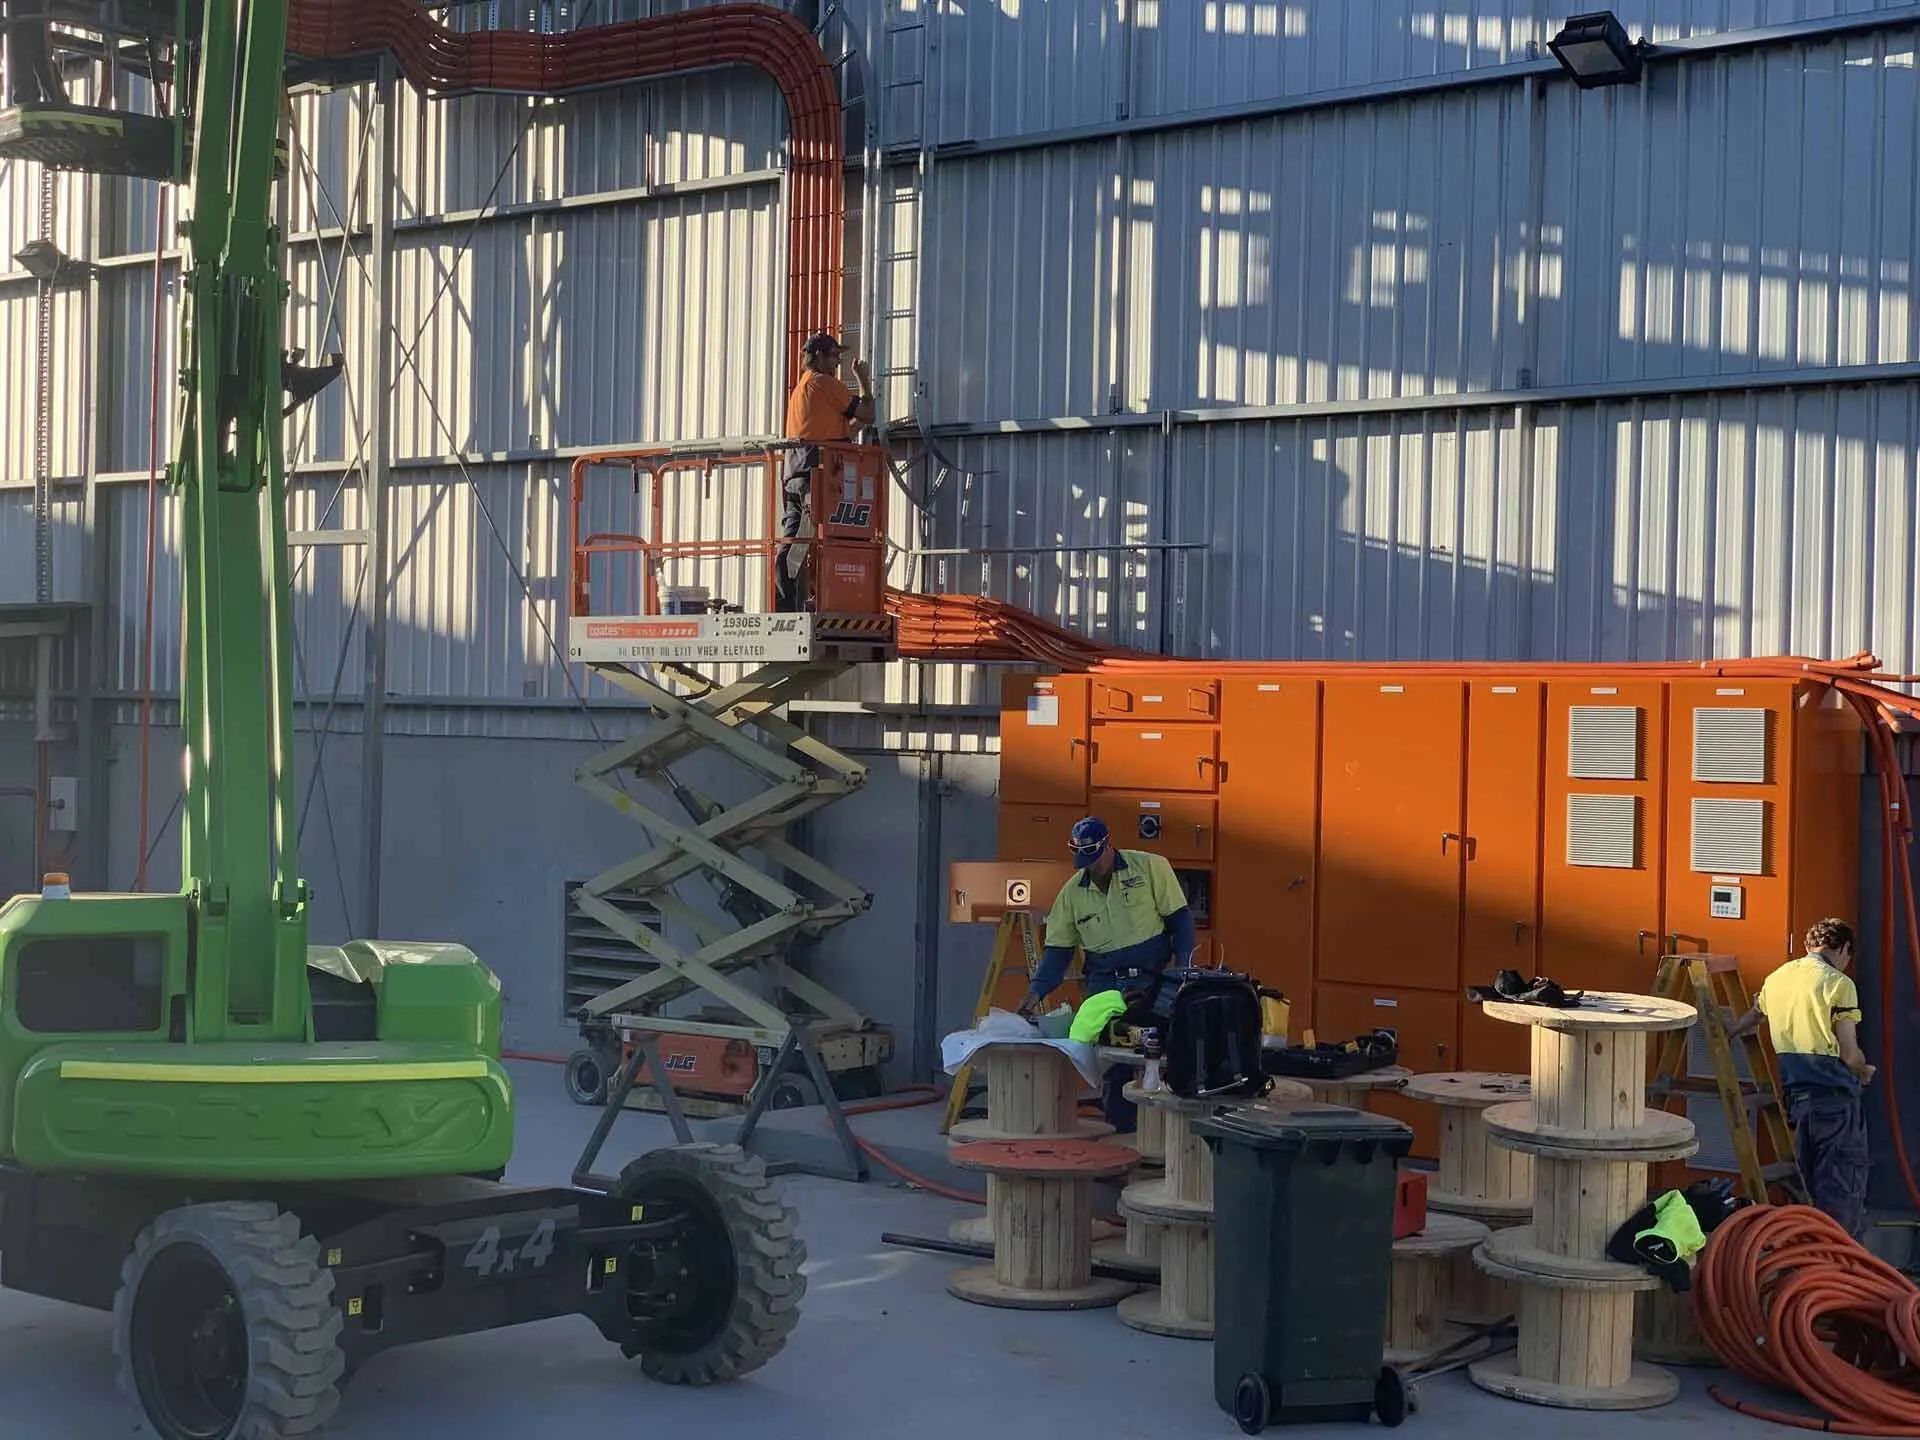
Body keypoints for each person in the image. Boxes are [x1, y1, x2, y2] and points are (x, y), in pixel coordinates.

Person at [1017, 817, 1196, 1126]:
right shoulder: (1071, 895)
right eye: (1083, 859)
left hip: (1152, 978)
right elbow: (1058, 953)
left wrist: (1182, 970)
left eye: (1094, 857)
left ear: (1108, 844)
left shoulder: (1151, 868)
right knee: (1114, 1059)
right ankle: (1121, 1132)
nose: (1091, 866)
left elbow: (1180, 921)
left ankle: (1166, 1135)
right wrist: (1035, 994)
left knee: (1163, 1051)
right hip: (1104, 985)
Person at [1728, 917, 1874, 1235]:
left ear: (1809, 945)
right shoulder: (1839, 983)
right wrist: (1863, 1071)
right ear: (1844, 948)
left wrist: (1728, 1032)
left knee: (1808, 1190)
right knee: (1841, 1196)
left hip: (1797, 1102)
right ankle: (1840, 1275)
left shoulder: (1779, 977)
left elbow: (1754, 1015)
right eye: (1848, 956)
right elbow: (1849, 1054)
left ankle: (1809, 1270)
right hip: (1834, 1102)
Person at [776, 332, 874, 612]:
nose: (837, 362)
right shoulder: (824, 383)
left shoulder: (802, 388)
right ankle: (811, 604)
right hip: (816, 473)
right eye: (833, 356)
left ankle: (787, 605)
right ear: (818, 356)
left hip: (794, 472)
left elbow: (830, 426)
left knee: (794, 540)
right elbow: (868, 413)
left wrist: (847, 430)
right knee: (817, 543)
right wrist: (863, 379)